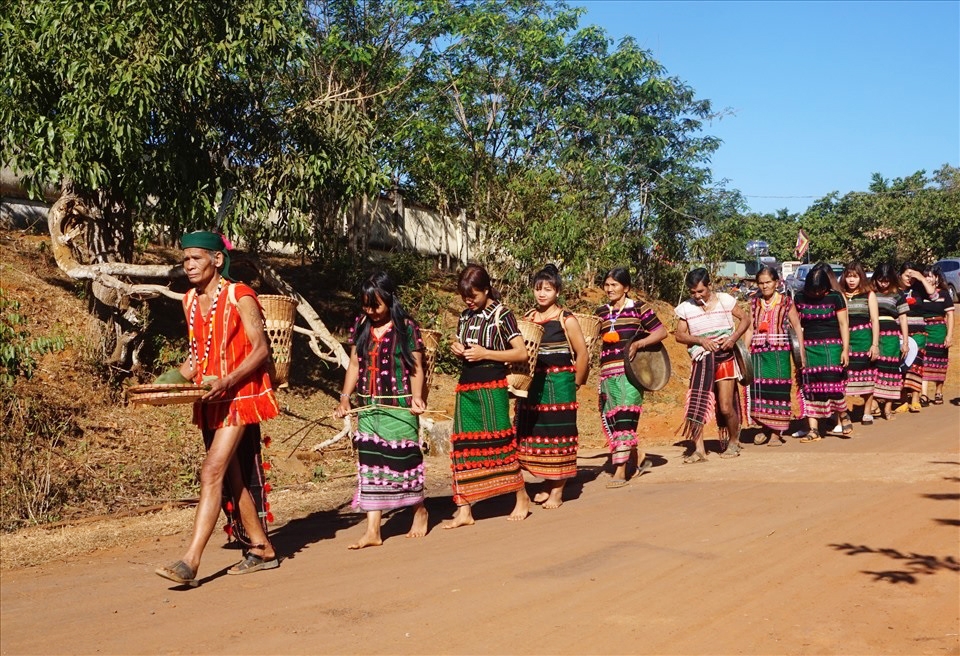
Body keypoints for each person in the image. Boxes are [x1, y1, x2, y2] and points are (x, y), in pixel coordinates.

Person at [156, 231, 280, 587]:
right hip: (212, 397)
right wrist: (163, 384)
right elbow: (197, 359)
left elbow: (261, 350)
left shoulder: (241, 295)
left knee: (211, 470)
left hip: (240, 393)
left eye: (196, 258)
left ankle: (190, 561)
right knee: (231, 476)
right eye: (185, 259)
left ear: (217, 259)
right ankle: (262, 548)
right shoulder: (189, 301)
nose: (189, 265)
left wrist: (228, 380)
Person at [334, 272, 428, 549]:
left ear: (389, 299)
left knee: (403, 462)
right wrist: (345, 398)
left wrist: (417, 398)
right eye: (366, 305)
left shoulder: (406, 327)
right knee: (371, 465)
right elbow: (355, 364)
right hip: (368, 406)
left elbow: (416, 367)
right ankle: (373, 529)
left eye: (376, 305)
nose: (371, 311)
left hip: (399, 405)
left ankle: (419, 510)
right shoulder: (361, 324)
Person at [445, 264, 530, 528]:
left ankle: (521, 496)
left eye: (473, 296)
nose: (468, 301)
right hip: (466, 387)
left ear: (486, 290)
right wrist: (458, 349)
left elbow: (521, 353)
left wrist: (486, 353)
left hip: (492, 387)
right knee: (463, 446)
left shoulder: (502, 314)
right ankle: (464, 509)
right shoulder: (465, 316)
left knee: (500, 442)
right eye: (464, 297)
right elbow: (464, 347)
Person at [515, 264, 589, 508]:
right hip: (533, 387)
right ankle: (548, 482)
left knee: (559, 436)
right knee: (537, 434)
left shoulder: (566, 319)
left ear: (557, 291)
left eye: (547, 289)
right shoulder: (528, 318)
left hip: (560, 385)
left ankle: (558, 490)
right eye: (538, 288)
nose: (542, 293)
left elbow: (582, 354)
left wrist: (575, 383)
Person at [594, 268, 667, 485]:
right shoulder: (601, 312)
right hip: (607, 374)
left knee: (625, 420)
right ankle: (637, 457)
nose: (609, 289)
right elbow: (591, 336)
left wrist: (639, 344)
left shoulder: (638, 308)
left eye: (614, 285)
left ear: (625, 288)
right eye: (607, 285)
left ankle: (620, 471)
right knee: (613, 420)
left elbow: (661, 332)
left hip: (630, 375)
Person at [674, 268, 749, 462]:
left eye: (701, 291)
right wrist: (700, 340)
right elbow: (679, 335)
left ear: (709, 285)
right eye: (693, 292)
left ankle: (734, 441)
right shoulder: (686, 307)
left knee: (725, 406)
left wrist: (733, 338)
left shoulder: (725, 300)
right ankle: (699, 450)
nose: (697, 296)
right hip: (701, 360)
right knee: (696, 405)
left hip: (725, 358)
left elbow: (745, 319)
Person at [743, 266, 804, 446]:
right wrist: (744, 352)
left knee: (779, 390)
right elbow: (750, 329)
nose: (764, 286)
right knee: (761, 391)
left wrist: (801, 352)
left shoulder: (786, 302)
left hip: (780, 353)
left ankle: (777, 432)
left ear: (776, 282)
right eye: (761, 283)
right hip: (758, 353)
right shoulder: (754, 303)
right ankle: (765, 427)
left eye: (768, 282)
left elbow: (796, 326)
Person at [795, 262, 849, 441]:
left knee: (833, 384)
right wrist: (799, 351)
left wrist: (845, 349)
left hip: (832, 347)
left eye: (820, 290)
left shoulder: (835, 297)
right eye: (813, 291)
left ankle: (843, 414)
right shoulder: (799, 297)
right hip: (809, 348)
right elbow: (796, 326)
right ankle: (814, 430)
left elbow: (843, 324)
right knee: (810, 387)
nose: (817, 294)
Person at [840, 262, 880, 426]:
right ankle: (842, 413)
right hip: (846, 340)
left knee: (867, 375)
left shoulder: (869, 294)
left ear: (861, 277)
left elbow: (875, 320)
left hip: (864, 339)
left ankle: (867, 412)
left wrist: (875, 344)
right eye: (849, 276)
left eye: (855, 277)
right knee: (844, 377)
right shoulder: (840, 295)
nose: (851, 280)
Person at [870, 263, 910, 420]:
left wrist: (905, 342)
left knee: (891, 370)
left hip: (891, 336)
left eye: (886, 281)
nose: (883, 284)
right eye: (880, 280)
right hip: (872, 334)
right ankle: (873, 403)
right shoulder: (870, 292)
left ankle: (887, 407)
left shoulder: (898, 294)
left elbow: (903, 318)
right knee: (873, 369)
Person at [898, 262, 937, 412]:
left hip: (919, 332)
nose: (910, 279)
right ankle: (903, 400)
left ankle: (915, 398)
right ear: (900, 275)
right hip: (900, 332)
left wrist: (921, 278)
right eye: (907, 275)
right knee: (902, 365)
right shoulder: (895, 290)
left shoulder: (919, 289)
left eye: (912, 276)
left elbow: (934, 295)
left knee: (916, 365)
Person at [920, 264, 955, 405]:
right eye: (925, 276)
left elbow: (950, 315)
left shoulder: (944, 294)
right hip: (925, 330)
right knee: (924, 362)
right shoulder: (921, 295)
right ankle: (923, 394)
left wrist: (949, 335)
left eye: (930, 276)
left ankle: (938, 391)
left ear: (937, 278)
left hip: (939, 330)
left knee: (940, 363)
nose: (927, 279)